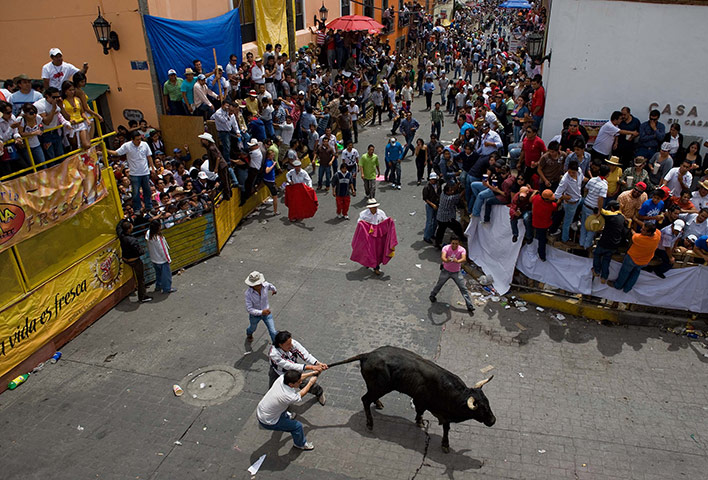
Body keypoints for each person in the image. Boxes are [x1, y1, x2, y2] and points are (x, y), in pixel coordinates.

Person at [256, 369, 319, 451]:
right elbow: (301, 394)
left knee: (282, 408)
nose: (301, 382)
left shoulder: (281, 379)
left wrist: (312, 373)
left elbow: (299, 378)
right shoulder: (288, 396)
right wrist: (310, 383)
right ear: (291, 384)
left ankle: (287, 416)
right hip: (268, 420)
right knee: (297, 426)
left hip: (263, 410)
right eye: (298, 382)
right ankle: (300, 444)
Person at [268, 331, 328, 404]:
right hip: (278, 372)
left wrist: (318, 363)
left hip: (293, 372)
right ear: (280, 345)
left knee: (302, 383)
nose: (291, 345)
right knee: (274, 391)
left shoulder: (292, 343)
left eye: (290, 342)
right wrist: (311, 367)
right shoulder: (274, 354)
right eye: (288, 344)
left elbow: (305, 354)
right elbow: (289, 365)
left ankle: (319, 392)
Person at [108, 131, 155, 212]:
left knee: (147, 190)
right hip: (134, 174)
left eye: (140, 139)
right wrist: (105, 150)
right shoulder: (127, 146)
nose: (139, 141)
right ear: (132, 139)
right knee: (135, 193)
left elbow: (149, 156)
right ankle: (137, 209)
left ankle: (149, 206)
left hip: (145, 172)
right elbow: (117, 153)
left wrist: (152, 168)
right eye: (137, 140)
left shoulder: (145, 144)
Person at [429, 236, 475, 314]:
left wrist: (457, 261)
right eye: (453, 243)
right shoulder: (446, 248)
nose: (454, 245)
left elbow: (463, 259)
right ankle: (432, 295)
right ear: (451, 243)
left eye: (456, 244)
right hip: (446, 271)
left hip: (456, 272)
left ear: (459, 243)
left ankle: (469, 305)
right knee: (439, 284)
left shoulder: (462, 250)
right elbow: (443, 257)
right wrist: (447, 260)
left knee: (463, 288)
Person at [610, 223, 661, 293]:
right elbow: (656, 229)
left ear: (649, 232)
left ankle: (618, 285)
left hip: (632, 259)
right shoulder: (657, 235)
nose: (641, 230)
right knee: (635, 274)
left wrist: (632, 229)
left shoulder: (639, 238)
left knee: (624, 273)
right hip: (644, 261)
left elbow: (633, 235)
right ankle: (627, 288)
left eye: (643, 230)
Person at [354, 198, 395, 275]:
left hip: (378, 236)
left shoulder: (381, 213)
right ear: (369, 208)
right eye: (373, 207)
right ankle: (368, 262)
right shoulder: (363, 214)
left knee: (377, 252)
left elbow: (385, 221)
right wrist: (367, 226)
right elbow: (360, 223)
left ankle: (376, 267)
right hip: (368, 236)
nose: (375, 209)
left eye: (376, 207)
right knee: (368, 250)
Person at [591, 200, 626, 284]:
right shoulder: (621, 216)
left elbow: (600, 210)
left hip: (605, 242)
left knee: (596, 254)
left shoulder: (610, 215)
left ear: (612, 208)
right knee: (606, 260)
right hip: (614, 244)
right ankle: (604, 277)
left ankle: (596, 271)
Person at [117, 220, 151, 303]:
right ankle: (142, 297)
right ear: (128, 229)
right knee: (140, 278)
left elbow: (118, 227)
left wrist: (123, 221)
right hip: (135, 261)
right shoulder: (132, 240)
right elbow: (139, 251)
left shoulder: (121, 235)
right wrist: (142, 250)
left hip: (125, 260)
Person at [579, 164, 609, 249]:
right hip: (593, 208)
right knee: (592, 227)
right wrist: (599, 210)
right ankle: (586, 245)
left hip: (586, 204)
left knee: (584, 225)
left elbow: (585, 189)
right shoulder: (604, 185)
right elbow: (600, 199)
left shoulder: (592, 180)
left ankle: (581, 242)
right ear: (607, 174)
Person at [244, 271, 278, 342]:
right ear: (252, 286)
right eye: (257, 285)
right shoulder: (248, 294)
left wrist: (274, 290)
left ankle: (276, 347)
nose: (259, 286)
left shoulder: (265, 285)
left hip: (267, 313)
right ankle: (249, 333)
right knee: (252, 328)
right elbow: (249, 309)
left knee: (273, 331)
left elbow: (270, 286)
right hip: (255, 315)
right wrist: (262, 312)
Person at [554, 159, 583, 243]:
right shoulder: (565, 180)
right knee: (567, 222)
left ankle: (576, 221)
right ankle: (565, 239)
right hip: (571, 203)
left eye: (573, 172)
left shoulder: (580, 171)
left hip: (579, 198)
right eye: (569, 172)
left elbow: (582, 178)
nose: (570, 174)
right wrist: (565, 197)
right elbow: (557, 195)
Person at [145, 219, 176, 294]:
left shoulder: (148, 234)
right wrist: (168, 259)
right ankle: (167, 288)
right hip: (161, 260)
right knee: (166, 275)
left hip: (154, 259)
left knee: (158, 274)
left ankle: (158, 286)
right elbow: (163, 250)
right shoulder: (158, 238)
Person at [198, 132, 232, 201]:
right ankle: (228, 193)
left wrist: (216, 168)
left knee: (225, 180)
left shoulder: (211, 148)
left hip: (221, 166)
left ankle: (227, 195)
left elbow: (218, 158)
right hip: (222, 165)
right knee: (225, 179)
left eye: (203, 139)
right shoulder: (211, 146)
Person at [435, 182, 466, 249]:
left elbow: (453, 190)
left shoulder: (443, 194)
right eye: (450, 190)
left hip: (441, 216)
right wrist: (466, 189)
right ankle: (462, 238)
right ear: (447, 192)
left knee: (440, 230)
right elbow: (459, 196)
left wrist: (456, 185)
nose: (452, 191)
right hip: (447, 218)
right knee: (457, 227)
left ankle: (437, 243)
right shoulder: (449, 199)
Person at [530, 189, 558, 261]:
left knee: (540, 237)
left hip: (535, 223)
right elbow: (556, 205)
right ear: (546, 199)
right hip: (543, 226)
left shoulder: (536, 198)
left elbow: (531, 199)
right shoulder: (550, 206)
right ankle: (542, 256)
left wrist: (534, 193)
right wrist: (560, 199)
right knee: (542, 241)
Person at [422, 172, 440, 244]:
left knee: (435, 221)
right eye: (432, 179)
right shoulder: (427, 187)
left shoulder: (438, 185)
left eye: (434, 179)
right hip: (430, 206)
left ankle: (432, 234)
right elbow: (425, 198)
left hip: (437, 205)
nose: (433, 180)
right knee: (429, 222)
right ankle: (426, 237)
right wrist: (432, 205)